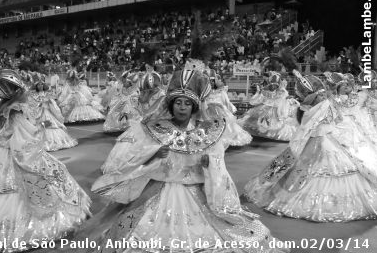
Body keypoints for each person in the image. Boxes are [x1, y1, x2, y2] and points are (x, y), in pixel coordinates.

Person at [89, 69, 288, 253]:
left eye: (187, 103)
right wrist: (155, 154)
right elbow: (134, 158)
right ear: (171, 104)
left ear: (194, 107)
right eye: (178, 102)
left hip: (197, 190)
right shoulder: (155, 129)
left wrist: (208, 163)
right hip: (159, 188)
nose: (182, 107)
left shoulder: (209, 132)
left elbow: (218, 163)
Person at [0, 69, 91, 252]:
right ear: (16, 90)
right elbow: (24, 139)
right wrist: (39, 133)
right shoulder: (16, 109)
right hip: (12, 152)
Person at [244, 71, 377, 222]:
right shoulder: (321, 107)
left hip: (329, 139)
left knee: (337, 168)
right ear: (314, 98)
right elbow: (312, 126)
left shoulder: (319, 106)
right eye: (320, 95)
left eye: (323, 94)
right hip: (322, 142)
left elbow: (332, 119)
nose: (324, 96)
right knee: (312, 169)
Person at [238, 72, 299, 141]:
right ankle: (265, 134)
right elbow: (270, 94)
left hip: (273, 107)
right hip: (270, 106)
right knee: (264, 120)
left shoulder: (277, 87)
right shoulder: (270, 87)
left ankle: (270, 134)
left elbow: (277, 93)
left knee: (273, 121)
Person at [32, 80, 78, 151]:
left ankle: (52, 141)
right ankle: (41, 141)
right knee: (39, 126)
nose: (40, 86)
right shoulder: (34, 94)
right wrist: (39, 104)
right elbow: (32, 104)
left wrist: (48, 102)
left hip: (47, 112)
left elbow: (53, 104)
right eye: (38, 85)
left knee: (49, 125)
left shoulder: (47, 93)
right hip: (39, 112)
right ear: (36, 86)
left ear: (43, 85)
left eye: (41, 84)